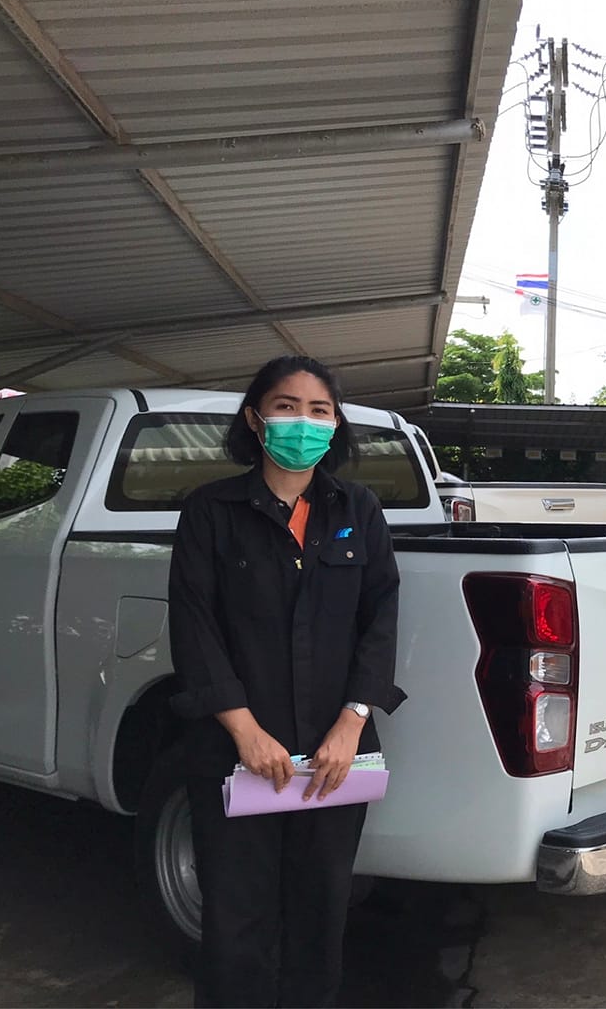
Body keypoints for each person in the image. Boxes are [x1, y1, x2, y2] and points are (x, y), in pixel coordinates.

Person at [168, 356, 406, 1008]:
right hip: (236, 752)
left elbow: (381, 618)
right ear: (255, 419)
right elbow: (194, 626)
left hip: (334, 754)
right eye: (286, 406)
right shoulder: (211, 511)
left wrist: (352, 724)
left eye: (319, 410)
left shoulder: (358, 509)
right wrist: (244, 731)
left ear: (336, 424)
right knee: (234, 918)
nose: (303, 421)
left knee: (320, 913)